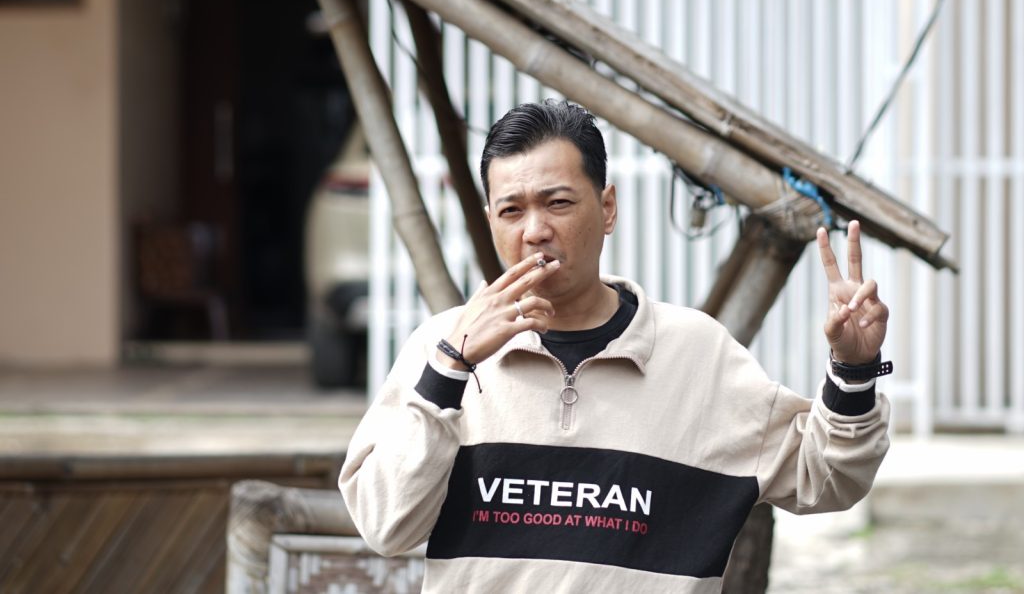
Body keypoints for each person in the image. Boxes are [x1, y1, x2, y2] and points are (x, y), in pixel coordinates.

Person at [339, 100, 891, 593]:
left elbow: (828, 478)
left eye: (557, 202)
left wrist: (854, 368)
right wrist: (449, 369)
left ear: (607, 208)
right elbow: (385, 526)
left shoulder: (698, 355)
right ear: (490, 222)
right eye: (511, 211)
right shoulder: (438, 351)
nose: (534, 231)